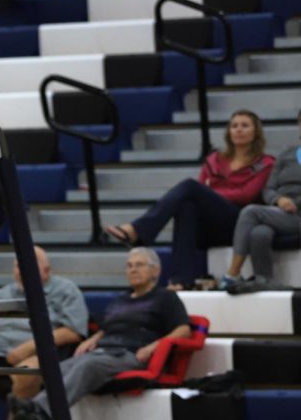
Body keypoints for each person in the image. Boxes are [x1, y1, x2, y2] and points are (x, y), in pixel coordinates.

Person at [10, 247, 193, 420]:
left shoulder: (166, 298)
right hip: (103, 351)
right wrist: (94, 338)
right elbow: (107, 327)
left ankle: (42, 411)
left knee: (88, 366)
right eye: (129, 266)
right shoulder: (120, 300)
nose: (133, 270)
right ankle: (33, 411)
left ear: (156, 271)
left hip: (131, 354)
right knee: (57, 369)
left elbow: (184, 329)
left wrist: (153, 347)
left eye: (139, 265)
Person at [105, 110, 275, 288]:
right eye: (234, 126)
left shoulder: (265, 163)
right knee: (187, 206)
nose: (238, 130)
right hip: (209, 228)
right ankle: (181, 280)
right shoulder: (215, 159)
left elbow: (246, 194)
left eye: (245, 126)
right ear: (228, 132)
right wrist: (207, 192)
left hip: (239, 224)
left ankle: (137, 231)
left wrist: (211, 192)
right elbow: (200, 193)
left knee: (189, 187)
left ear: (256, 132)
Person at [0, 247, 88, 420]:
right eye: (17, 265)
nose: (21, 269)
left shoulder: (66, 290)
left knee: (27, 370)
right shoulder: (1, 294)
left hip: (35, 353)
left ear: (47, 271)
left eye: (28, 264)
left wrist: (29, 346)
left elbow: (73, 332)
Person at [224, 110, 301, 292]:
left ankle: (232, 274)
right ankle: (265, 283)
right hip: (282, 213)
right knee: (259, 233)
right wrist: (278, 199)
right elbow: (268, 188)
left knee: (251, 212)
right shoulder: (286, 154)